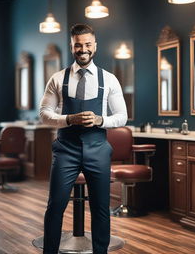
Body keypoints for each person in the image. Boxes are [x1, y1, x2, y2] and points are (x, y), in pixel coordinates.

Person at [40, 23, 127, 254]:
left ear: (95, 46)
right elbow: (44, 115)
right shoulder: (58, 79)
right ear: (72, 47)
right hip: (65, 150)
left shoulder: (109, 79)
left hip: (98, 149)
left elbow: (122, 117)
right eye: (78, 45)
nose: (83, 49)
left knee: (100, 208)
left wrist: (100, 120)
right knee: (55, 206)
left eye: (87, 44)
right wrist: (69, 119)